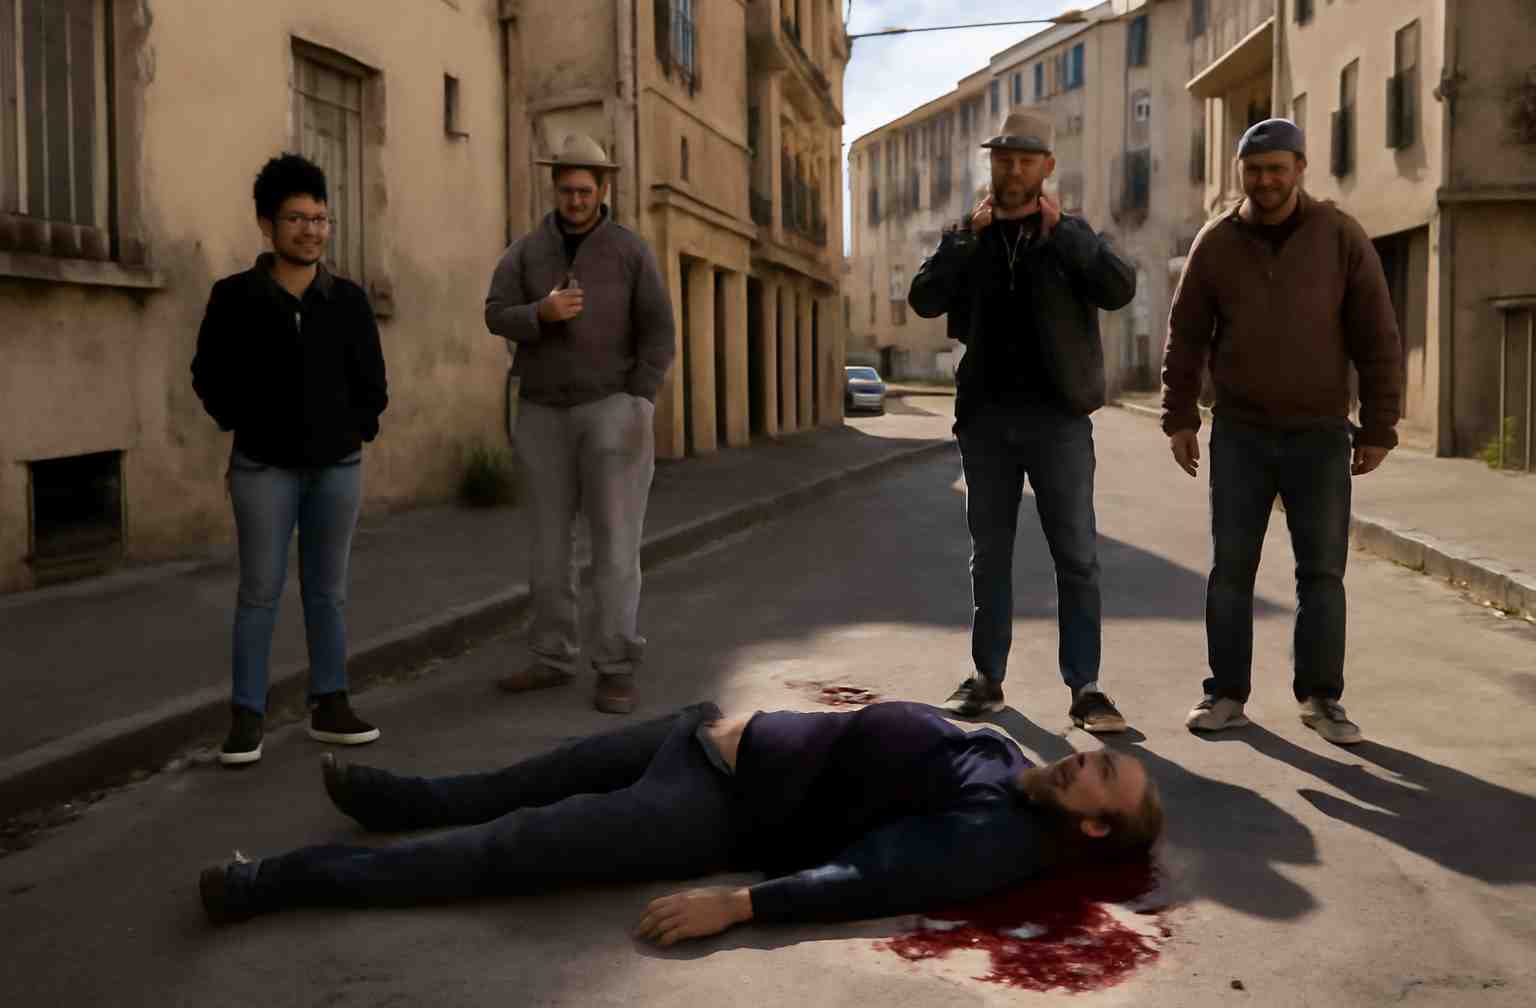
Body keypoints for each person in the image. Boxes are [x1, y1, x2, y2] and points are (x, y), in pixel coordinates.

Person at [198, 700, 1163, 940]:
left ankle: (271, 882)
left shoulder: (990, 837)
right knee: (515, 782)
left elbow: (876, 875)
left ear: (1090, 829)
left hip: (711, 808)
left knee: (510, 848)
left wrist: (739, 906)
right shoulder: (1020, 766)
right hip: (704, 733)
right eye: (1101, 756)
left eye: (1100, 778)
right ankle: (395, 802)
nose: (1086, 758)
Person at [1160, 118, 1402, 745]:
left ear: (1299, 168)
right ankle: (1226, 694)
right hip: (1240, 432)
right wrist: (1180, 416)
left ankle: (1322, 699)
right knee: (1230, 570)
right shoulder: (1216, 242)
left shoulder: (1340, 236)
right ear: (1241, 172)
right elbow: (1185, 336)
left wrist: (1379, 425)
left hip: (1320, 433)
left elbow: (1377, 338)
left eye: (1276, 168)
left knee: (1321, 573)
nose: (1265, 180)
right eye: (1254, 169)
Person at [908, 111, 1137, 731]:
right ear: (993, 167)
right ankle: (988, 679)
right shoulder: (969, 237)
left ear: (1046, 168)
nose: (1013, 170)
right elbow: (924, 297)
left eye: (1025, 160)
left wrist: (1067, 234)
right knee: (991, 556)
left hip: (1058, 419)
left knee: (1077, 556)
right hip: (985, 422)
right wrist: (962, 240)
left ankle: (1086, 688)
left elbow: (1119, 288)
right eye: (1004, 159)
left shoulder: (1071, 236)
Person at [190, 154, 388, 767]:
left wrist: (356, 429)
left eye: (321, 218)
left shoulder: (348, 300)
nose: (311, 229)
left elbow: (373, 383)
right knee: (259, 592)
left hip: (337, 469)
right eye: (296, 218)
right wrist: (243, 423)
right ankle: (246, 718)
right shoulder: (234, 297)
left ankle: (330, 704)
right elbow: (208, 375)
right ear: (267, 225)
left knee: (327, 592)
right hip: (263, 470)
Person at [484, 134, 676, 715]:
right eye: (566, 189)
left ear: (603, 190)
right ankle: (551, 655)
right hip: (541, 411)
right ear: (555, 188)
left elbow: (659, 332)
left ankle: (615, 667)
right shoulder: (524, 252)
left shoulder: (630, 251)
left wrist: (638, 399)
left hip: (611, 410)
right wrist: (538, 314)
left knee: (616, 548)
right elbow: (495, 315)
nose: (574, 199)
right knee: (547, 549)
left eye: (585, 190)